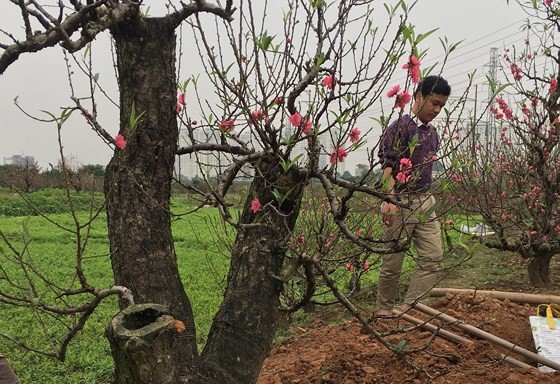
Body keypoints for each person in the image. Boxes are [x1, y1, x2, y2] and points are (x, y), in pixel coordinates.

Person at [375, 75, 451, 317]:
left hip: (425, 200)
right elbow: (387, 167)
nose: (437, 110)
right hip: (401, 199)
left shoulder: (433, 134)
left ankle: (414, 307)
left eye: (441, 105)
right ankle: (384, 310)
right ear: (419, 96)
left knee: (432, 256)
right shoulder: (399, 128)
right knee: (392, 263)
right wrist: (389, 199)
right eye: (434, 103)